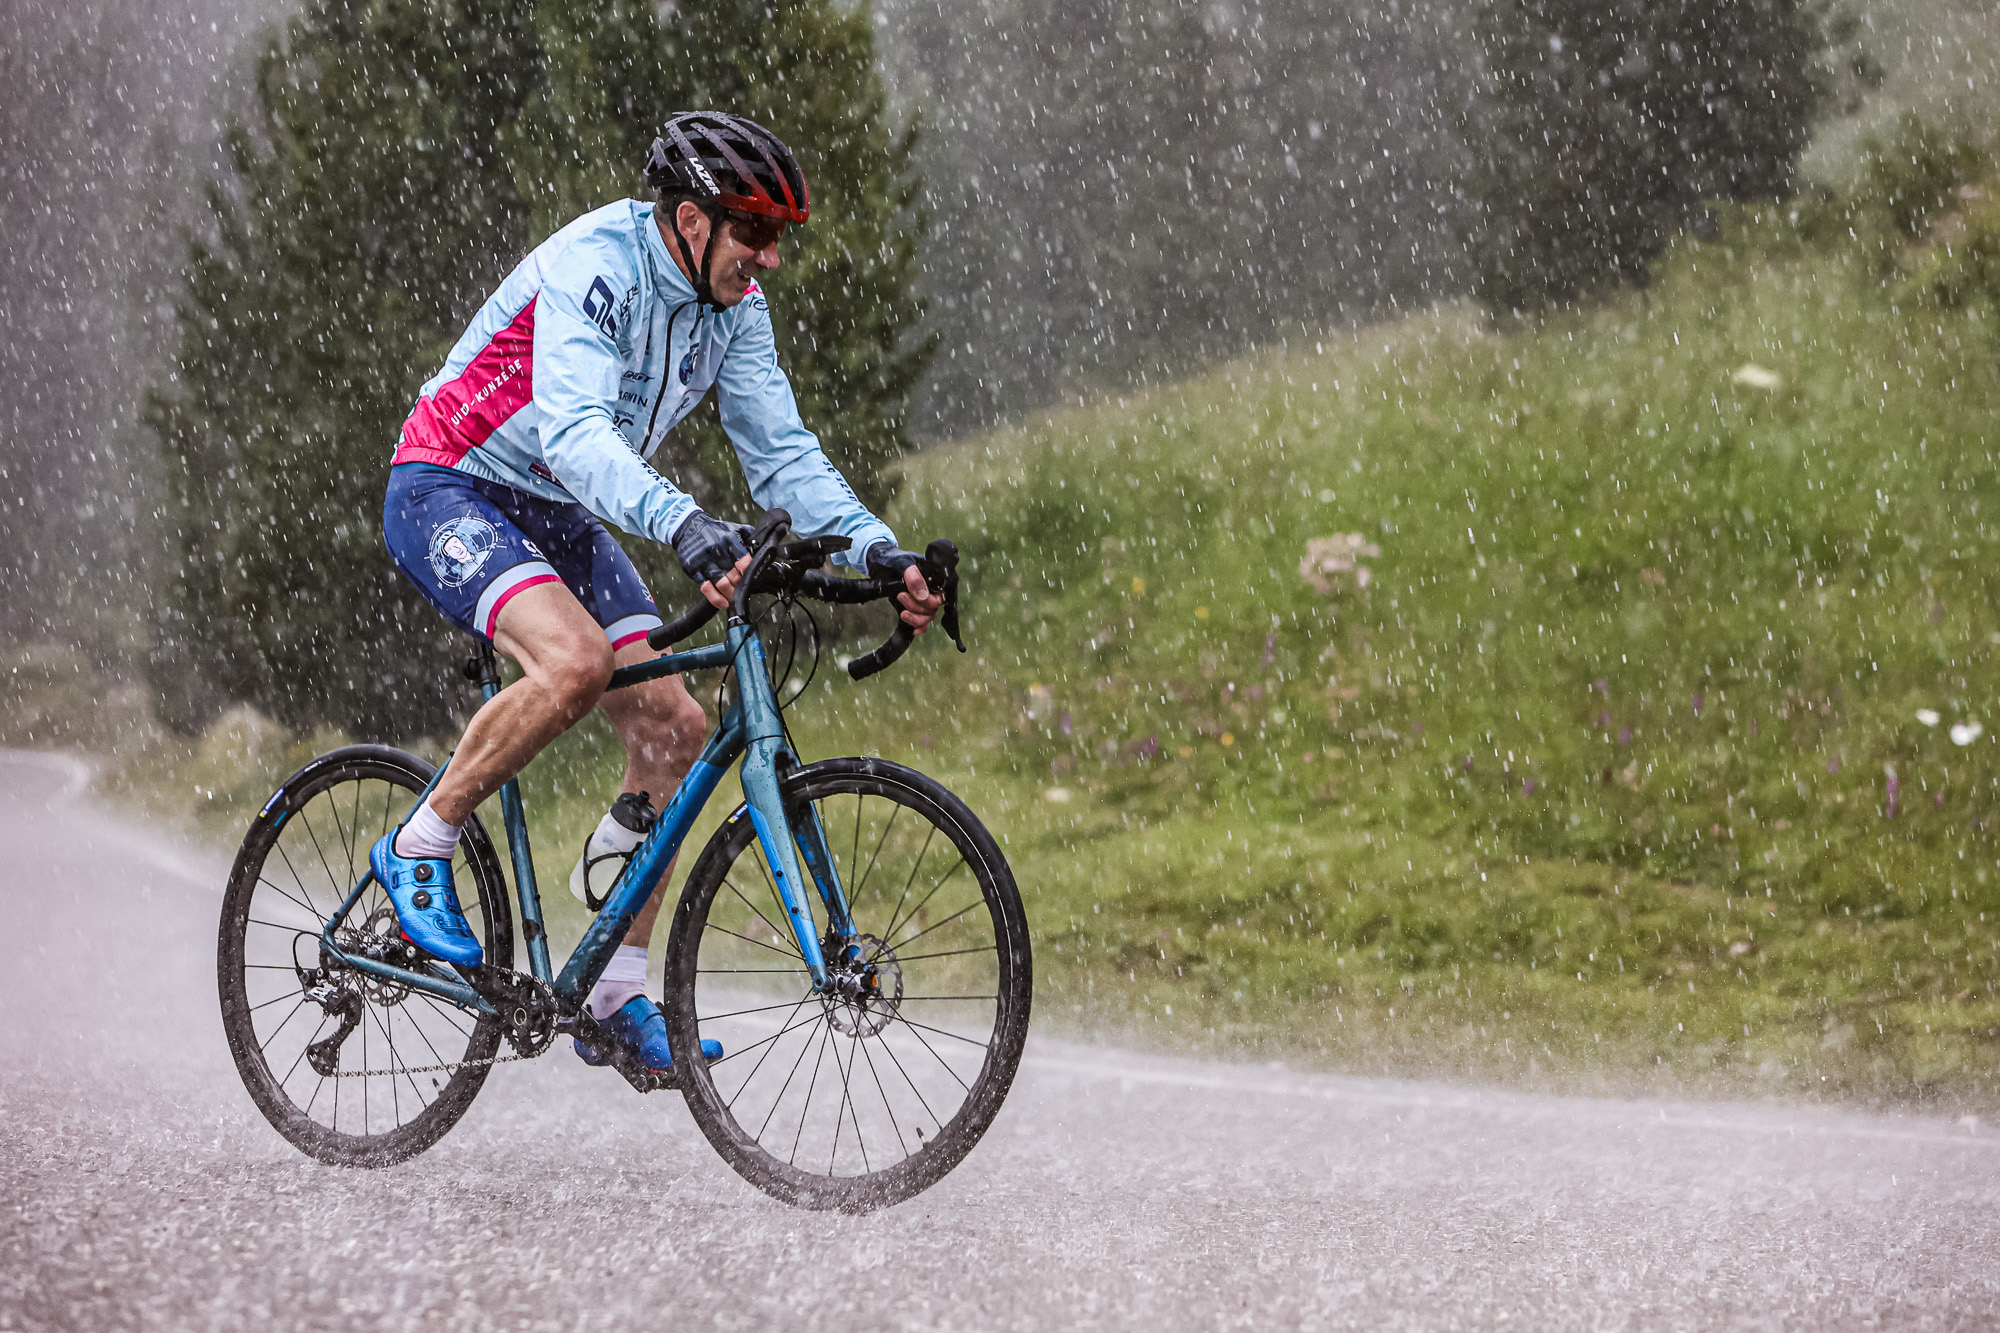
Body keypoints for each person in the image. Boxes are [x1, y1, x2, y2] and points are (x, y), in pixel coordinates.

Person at [371, 111, 942, 1077]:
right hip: (450, 480)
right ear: (689, 220)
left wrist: (877, 552)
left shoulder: (736, 311)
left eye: (777, 238)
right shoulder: (597, 267)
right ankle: (421, 842)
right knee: (579, 665)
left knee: (676, 729)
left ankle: (612, 990)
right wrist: (685, 524)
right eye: (752, 232)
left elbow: (782, 452)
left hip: (557, 507)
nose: (767, 256)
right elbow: (578, 435)